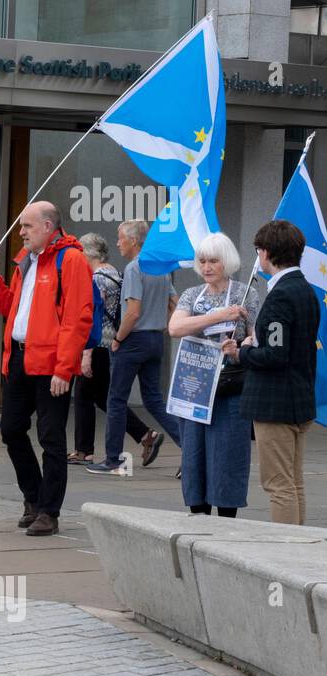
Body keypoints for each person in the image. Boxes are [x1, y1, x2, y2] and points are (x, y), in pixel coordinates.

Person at [0, 202, 92, 537]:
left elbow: (77, 318)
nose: (21, 233)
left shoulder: (70, 260)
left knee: (51, 437)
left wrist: (64, 368)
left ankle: (49, 511)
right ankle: (34, 497)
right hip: (19, 358)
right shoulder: (26, 261)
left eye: (26, 226)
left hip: (50, 365)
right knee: (11, 429)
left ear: (47, 225)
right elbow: (12, 307)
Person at [222, 220, 321, 525]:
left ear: (264, 253)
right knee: (293, 482)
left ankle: (284, 551)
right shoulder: (306, 290)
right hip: (300, 397)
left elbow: (275, 354)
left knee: (278, 486)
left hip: (275, 403)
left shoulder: (280, 296)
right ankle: (299, 547)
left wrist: (243, 351)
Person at [170, 232, 259, 518]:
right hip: (194, 385)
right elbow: (175, 328)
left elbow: (255, 336)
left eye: (213, 261)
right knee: (194, 455)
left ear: (227, 261)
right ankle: (198, 516)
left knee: (228, 455)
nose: (207, 267)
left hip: (229, 386)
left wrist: (244, 344)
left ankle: (227, 519)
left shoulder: (246, 294)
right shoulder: (191, 295)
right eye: (202, 261)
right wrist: (220, 315)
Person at [86, 219, 182, 475]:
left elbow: (132, 312)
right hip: (155, 339)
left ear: (134, 241)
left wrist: (117, 338)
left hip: (133, 339)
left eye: (120, 238)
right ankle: (191, 449)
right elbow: (174, 301)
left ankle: (113, 459)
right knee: (154, 399)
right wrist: (166, 325)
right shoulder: (160, 267)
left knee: (115, 398)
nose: (117, 242)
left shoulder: (134, 268)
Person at [70, 232, 158, 465]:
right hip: (110, 342)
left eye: (79, 252)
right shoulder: (116, 274)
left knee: (83, 395)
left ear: (88, 253)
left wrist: (85, 353)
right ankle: (145, 434)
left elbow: (92, 315)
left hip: (97, 342)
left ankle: (84, 450)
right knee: (102, 397)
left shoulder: (96, 278)